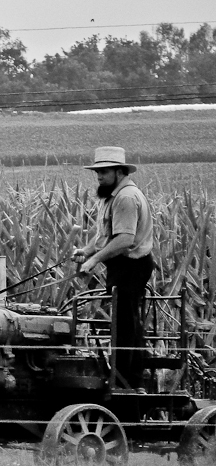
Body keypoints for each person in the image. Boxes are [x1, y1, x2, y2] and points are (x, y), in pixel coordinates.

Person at [73, 146, 155, 392]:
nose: (99, 177)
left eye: (104, 172)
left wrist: (94, 260)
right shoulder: (113, 196)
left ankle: (128, 380)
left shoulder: (126, 198)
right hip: (121, 266)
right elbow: (105, 236)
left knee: (126, 325)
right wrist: (86, 252)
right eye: (97, 172)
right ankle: (125, 377)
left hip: (132, 265)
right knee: (123, 323)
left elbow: (124, 240)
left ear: (120, 172)